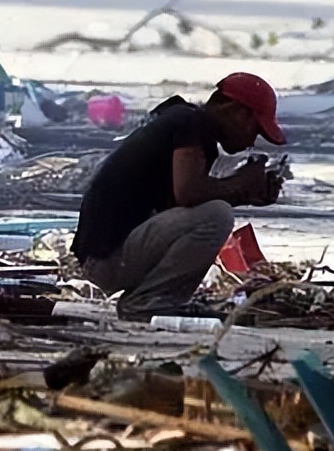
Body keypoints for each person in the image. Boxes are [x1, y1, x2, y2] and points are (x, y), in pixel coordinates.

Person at [71, 73, 287, 320]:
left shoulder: (180, 119)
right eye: (255, 130)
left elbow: (179, 206)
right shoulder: (192, 123)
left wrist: (246, 194)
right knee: (218, 215)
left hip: (104, 256)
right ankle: (149, 303)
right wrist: (243, 180)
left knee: (214, 212)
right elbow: (188, 194)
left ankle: (147, 301)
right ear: (237, 111)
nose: (251, 141)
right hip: (107, 257)